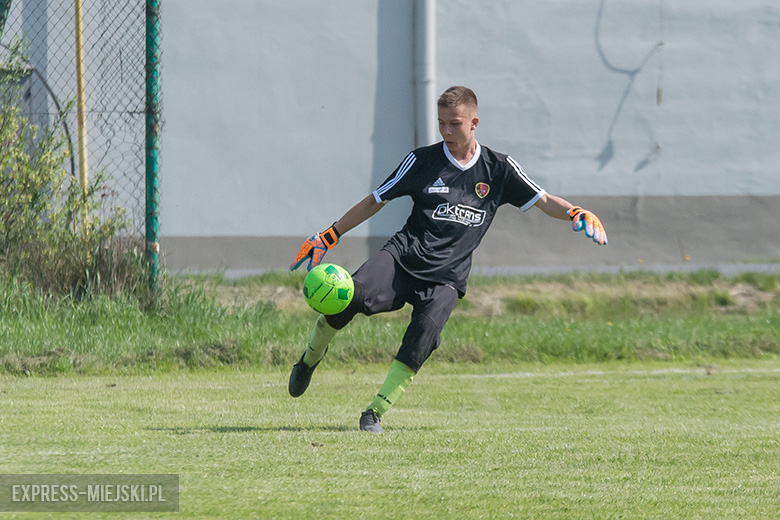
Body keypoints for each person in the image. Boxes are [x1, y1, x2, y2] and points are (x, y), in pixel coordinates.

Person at [288, 86, 607, 433]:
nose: (447, 132)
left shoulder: (498, 168)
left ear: (474, 122)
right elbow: (375, 199)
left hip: (447, 277)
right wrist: (330, 234)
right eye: (441, 124)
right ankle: (308, 360)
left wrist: (575, 211)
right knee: (347, 298)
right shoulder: (422, 161)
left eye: (455, 124)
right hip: (403, 257)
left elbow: (544, 200)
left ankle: (374, 412)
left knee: (423, 335)